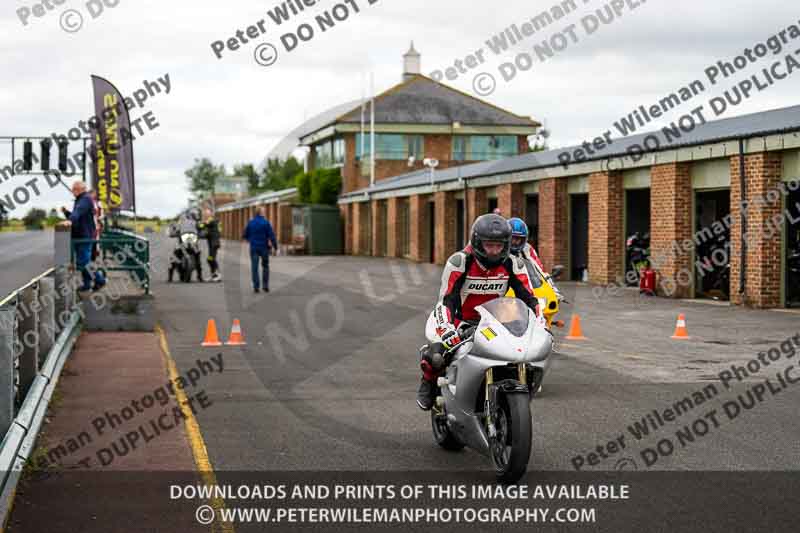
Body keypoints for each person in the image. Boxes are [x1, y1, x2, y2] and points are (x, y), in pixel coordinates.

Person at [417, 213, 539, 410]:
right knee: (437, 356)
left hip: (495, 322)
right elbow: (447, 299)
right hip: (459, 320)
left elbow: (529, 299)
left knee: (524, 355)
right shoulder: (460, 261)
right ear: (477, 242)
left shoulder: (513, 264)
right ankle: (428, 382)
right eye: (489, 245)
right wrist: (447, 328)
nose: (494, 251)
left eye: (499, 246)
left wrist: (539, 324)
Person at [63, 181, 105, 292]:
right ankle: (87, 284)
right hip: (81, 235)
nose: (72, 191)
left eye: (74, 189)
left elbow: (78, 212)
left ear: (80, 189)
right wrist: (67, 213)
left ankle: (100, 280)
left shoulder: (85, 199)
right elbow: (78, 215)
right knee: (84, 262)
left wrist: (70, 220)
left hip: (84, 236)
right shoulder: (81, 199)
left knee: (84, 263)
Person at [243, 207, 278, 293]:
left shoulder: (251, 222)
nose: (265, 212)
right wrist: (275, 247)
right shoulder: (266, 223)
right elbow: (272, 236)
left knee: (254, 267)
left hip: (254, 248)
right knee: (265, 266)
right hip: (264, 248)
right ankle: (265, 286)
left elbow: (245, 235)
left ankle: (256, 286)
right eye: (264, 211)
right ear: (261, 213)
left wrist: (250, 240)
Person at [199, 208, 222, 282]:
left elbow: (202, 226)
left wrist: (198, 224)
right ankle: (213, 275)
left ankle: (218, 275)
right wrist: (199, 236)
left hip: (214, 244)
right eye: (205, 214)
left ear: (211, 214)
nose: (205, 215)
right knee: (210, 259)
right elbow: (207, 233)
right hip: (212, 244)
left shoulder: (212, 220)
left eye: (207, 213)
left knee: (211, 259)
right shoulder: (210, 221)